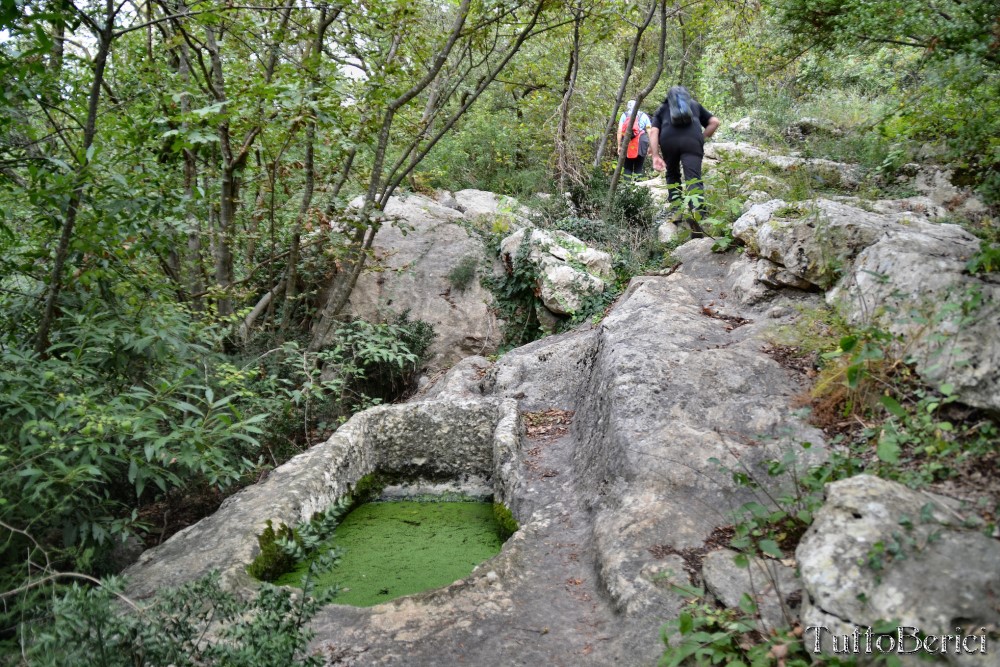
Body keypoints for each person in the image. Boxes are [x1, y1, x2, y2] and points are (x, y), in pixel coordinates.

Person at [649, 86, 720, 233]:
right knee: (693, 178)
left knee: (672, 174)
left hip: (669, 142)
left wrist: (655, 155)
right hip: (692, 142)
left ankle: (677, 211)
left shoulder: (662, 109)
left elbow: (654, 131)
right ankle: (697, 214)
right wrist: (702, 137)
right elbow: (715, 122)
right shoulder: (694, 105)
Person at [617, 100, 652, 178]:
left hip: (627, 141)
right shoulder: (644, 115)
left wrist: (619, 145)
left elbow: (620, 131)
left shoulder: (624, 115)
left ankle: (627, 187)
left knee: (627, 166)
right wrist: (651, 146)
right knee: (639, 166)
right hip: (642, 141)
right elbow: (649, 130)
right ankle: (639, 188)